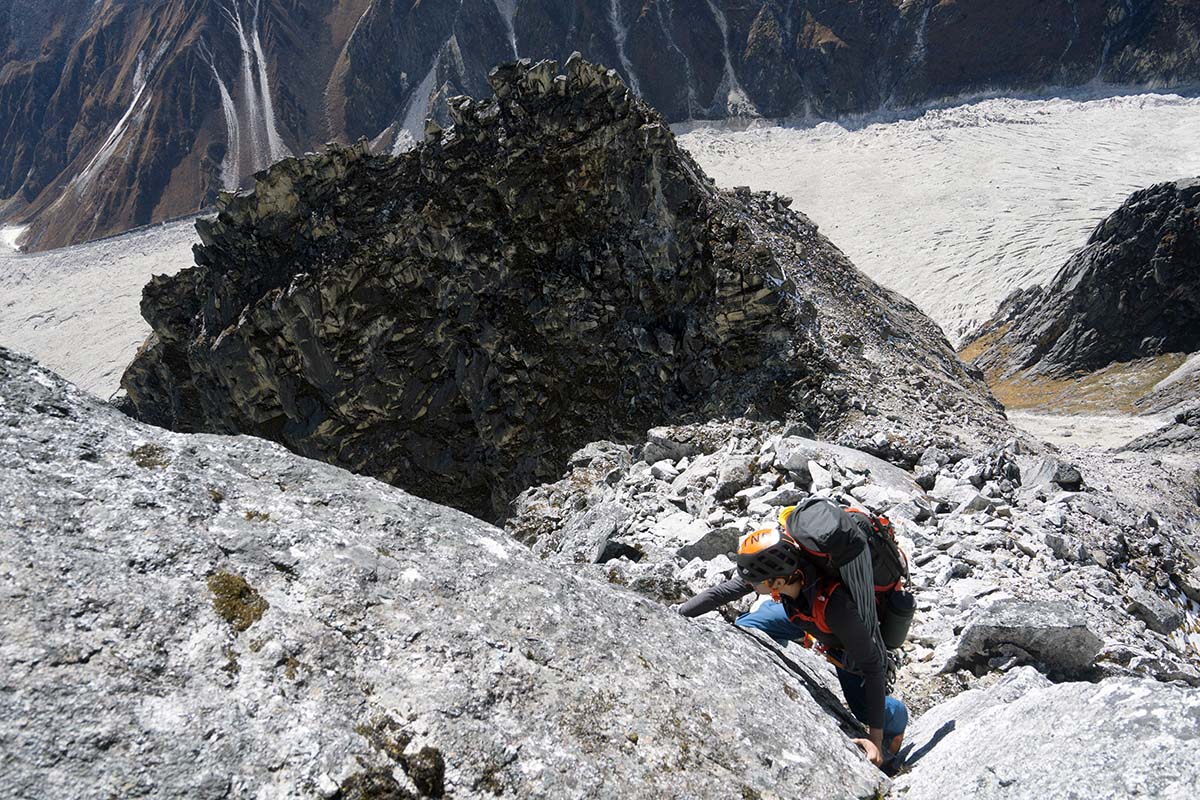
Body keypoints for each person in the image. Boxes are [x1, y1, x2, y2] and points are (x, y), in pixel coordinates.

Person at [678, 521, 908, 768]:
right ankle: (790, 649)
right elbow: (724, 592)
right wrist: (678, 613)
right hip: (802, 615)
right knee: (748, 626)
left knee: (864, 710)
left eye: (756, 582)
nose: (750, 586)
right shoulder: (783, 568)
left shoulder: (836, 607)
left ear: (776, 583)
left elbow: (872, 664)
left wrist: (875, 738)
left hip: (843, 642)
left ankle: (898, 718)